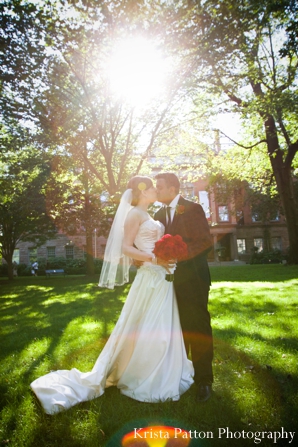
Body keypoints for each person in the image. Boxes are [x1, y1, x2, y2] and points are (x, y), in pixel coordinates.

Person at [30, 176, 194, 414]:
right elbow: (125, 247)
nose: (155, 190)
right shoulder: (134, 215)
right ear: (142, 191)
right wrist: (154, 258)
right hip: (150, 275)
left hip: (163, 276)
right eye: (151, 187)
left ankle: (164, 371)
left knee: (163, 324)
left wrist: (167, 255)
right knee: (148, 325)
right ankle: (144, 374)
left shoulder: (150, 215)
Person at [154, 172, 213, 402]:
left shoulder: (193, 208)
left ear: (172, 189)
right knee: (175, 331)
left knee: (197, 328)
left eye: (159, 187)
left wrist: (179, 254)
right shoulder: (158, 214)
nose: (156, 190)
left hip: (195, 280)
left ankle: (204, 381)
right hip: (167, 283)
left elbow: (205, 242)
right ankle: (179, 376)